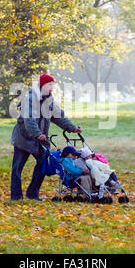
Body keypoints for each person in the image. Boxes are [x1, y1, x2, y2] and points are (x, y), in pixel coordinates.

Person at [10, 73, 82, 201]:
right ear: (42, 85)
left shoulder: (49, 101)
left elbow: (59, 116)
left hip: (39, 141)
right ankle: (16, 197)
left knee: (42, 165)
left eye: (52, 85)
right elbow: (29, 120)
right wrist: (37, 134)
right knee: (17, 168)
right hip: (24, 139)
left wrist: (73, 128)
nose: (51, 88)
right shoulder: (29, 100)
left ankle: (32, 194)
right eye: (49, 85)